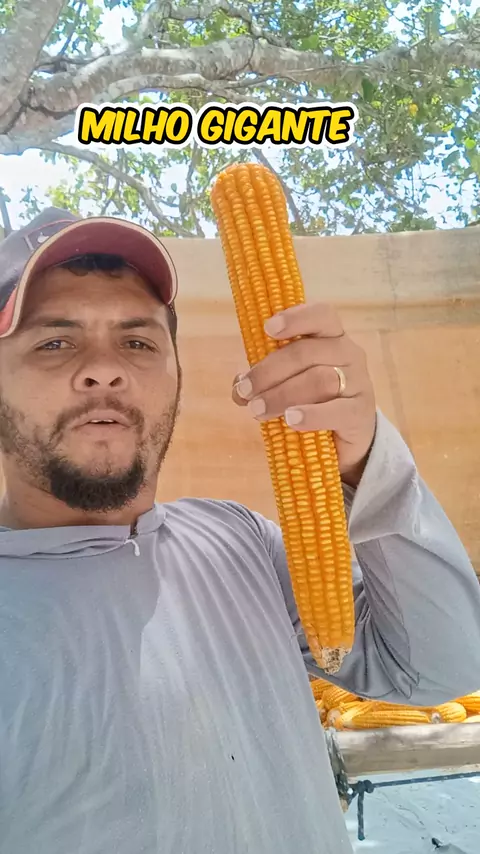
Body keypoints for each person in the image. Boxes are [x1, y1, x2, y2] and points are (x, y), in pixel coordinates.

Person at [0, 207, 479, 854]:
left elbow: (438, 668)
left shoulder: (239, 542)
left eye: (138, 342)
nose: (104, 369)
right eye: (54, 342)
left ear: (177, 375)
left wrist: (367, 459)